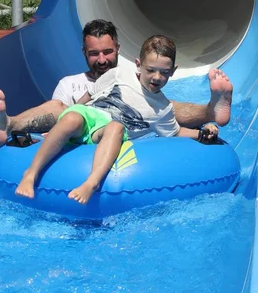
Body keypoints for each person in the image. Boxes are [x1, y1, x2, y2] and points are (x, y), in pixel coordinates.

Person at [15, 35, 219, 205]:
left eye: (164, 73)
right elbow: (89, 96)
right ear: (138, 65)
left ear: (173, 71)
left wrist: (202, 133)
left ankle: (92, 183)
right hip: (89, 116)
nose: (157, 77)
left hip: (105, 132)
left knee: (116, 127)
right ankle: (31, 174)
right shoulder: (119, 74)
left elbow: (175, 133)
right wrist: (61, 125)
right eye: (151, 70)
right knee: (72, 117)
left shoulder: (163, 108)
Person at [0, 20, 233, 145]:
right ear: (84, 53)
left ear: (118, 50)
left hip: (124, 132)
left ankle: (211, 110)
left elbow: (169, 123)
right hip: (84, 131)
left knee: (161, 104)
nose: (102, 59)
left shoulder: (132, 77)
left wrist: (200, 134)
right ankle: (8, 123)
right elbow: (58, 118)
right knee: (60, 108)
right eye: (94, 54)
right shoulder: (70, 84)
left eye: (108, 52)